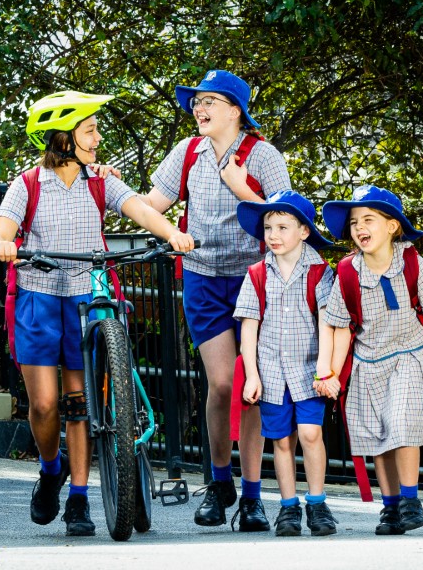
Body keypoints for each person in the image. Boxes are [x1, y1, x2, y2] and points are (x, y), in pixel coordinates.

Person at [0, 91, 194, 536]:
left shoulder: (99, 181)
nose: (98, 138)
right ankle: (50, 468)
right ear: (63, 139)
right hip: (38, 296)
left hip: (87, 294)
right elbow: (3, 230)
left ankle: (79, 499)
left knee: (80, 402)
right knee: (43, 405)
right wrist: (3, 243)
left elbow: (137, 208)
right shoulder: (27, 184)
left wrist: (172, 231)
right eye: (89, 131)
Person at [135, 70, 291, 530]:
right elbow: (151, 205)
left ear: (234, 110)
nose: (198, 109)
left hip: (255, 283)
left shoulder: (264, 156)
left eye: (209, 101)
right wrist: (109, 191)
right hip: (203, 280)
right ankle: (220, 482)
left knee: (254, 390)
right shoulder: (186, 152)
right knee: (223, 384)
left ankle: (253, 495)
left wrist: (243, 188)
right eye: (196, 101)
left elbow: (284, 219)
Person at [317, 186, 423, 535]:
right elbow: (342, 327)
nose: (360, 227)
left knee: (402, 421)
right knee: (378, 435)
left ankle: (410, 499)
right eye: (354, 222)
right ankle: (391, 506)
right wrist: (331, 372)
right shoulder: (348, 271)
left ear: (393, 226)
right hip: (367, 362)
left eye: (369, 219)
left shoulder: (410, 261)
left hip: (409, 354)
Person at [232, 190, 338, 536]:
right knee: (280, 441)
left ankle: (317, 503)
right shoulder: (257, 274)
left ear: (304, 231)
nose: (273, 236)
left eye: (282, 227)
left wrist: (325, 367)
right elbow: (249, 326)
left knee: (310, 433)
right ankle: (288, 507)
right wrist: (251, 375)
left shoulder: (320, 272)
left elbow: (327, 321)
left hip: (308, 371)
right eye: (268, 228)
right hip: (272, 373)